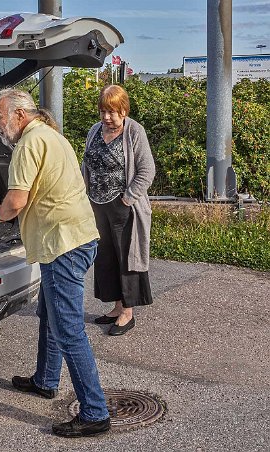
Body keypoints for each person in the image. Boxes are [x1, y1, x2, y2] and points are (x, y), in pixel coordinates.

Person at [0, 89, 110, 438]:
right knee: (50, 314)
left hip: (61, 245)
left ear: (19, 115)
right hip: (75, 236)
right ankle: (45, 379)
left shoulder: (28, 144)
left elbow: (16, 200)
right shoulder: (51, 136)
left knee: (69, 330)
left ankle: (95, 412)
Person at [82, 85, 155, 336]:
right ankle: (115, 306)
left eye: (112, 112)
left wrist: (127, 199)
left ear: (124, 110)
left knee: (126, 258)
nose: (106, 117)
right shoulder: (94, 131)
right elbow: (86, 166)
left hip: (124, 207)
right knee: (105, 258)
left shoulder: (134, 131)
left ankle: (127, 313)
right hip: (97, 205)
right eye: (103, 111)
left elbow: (147, 171)